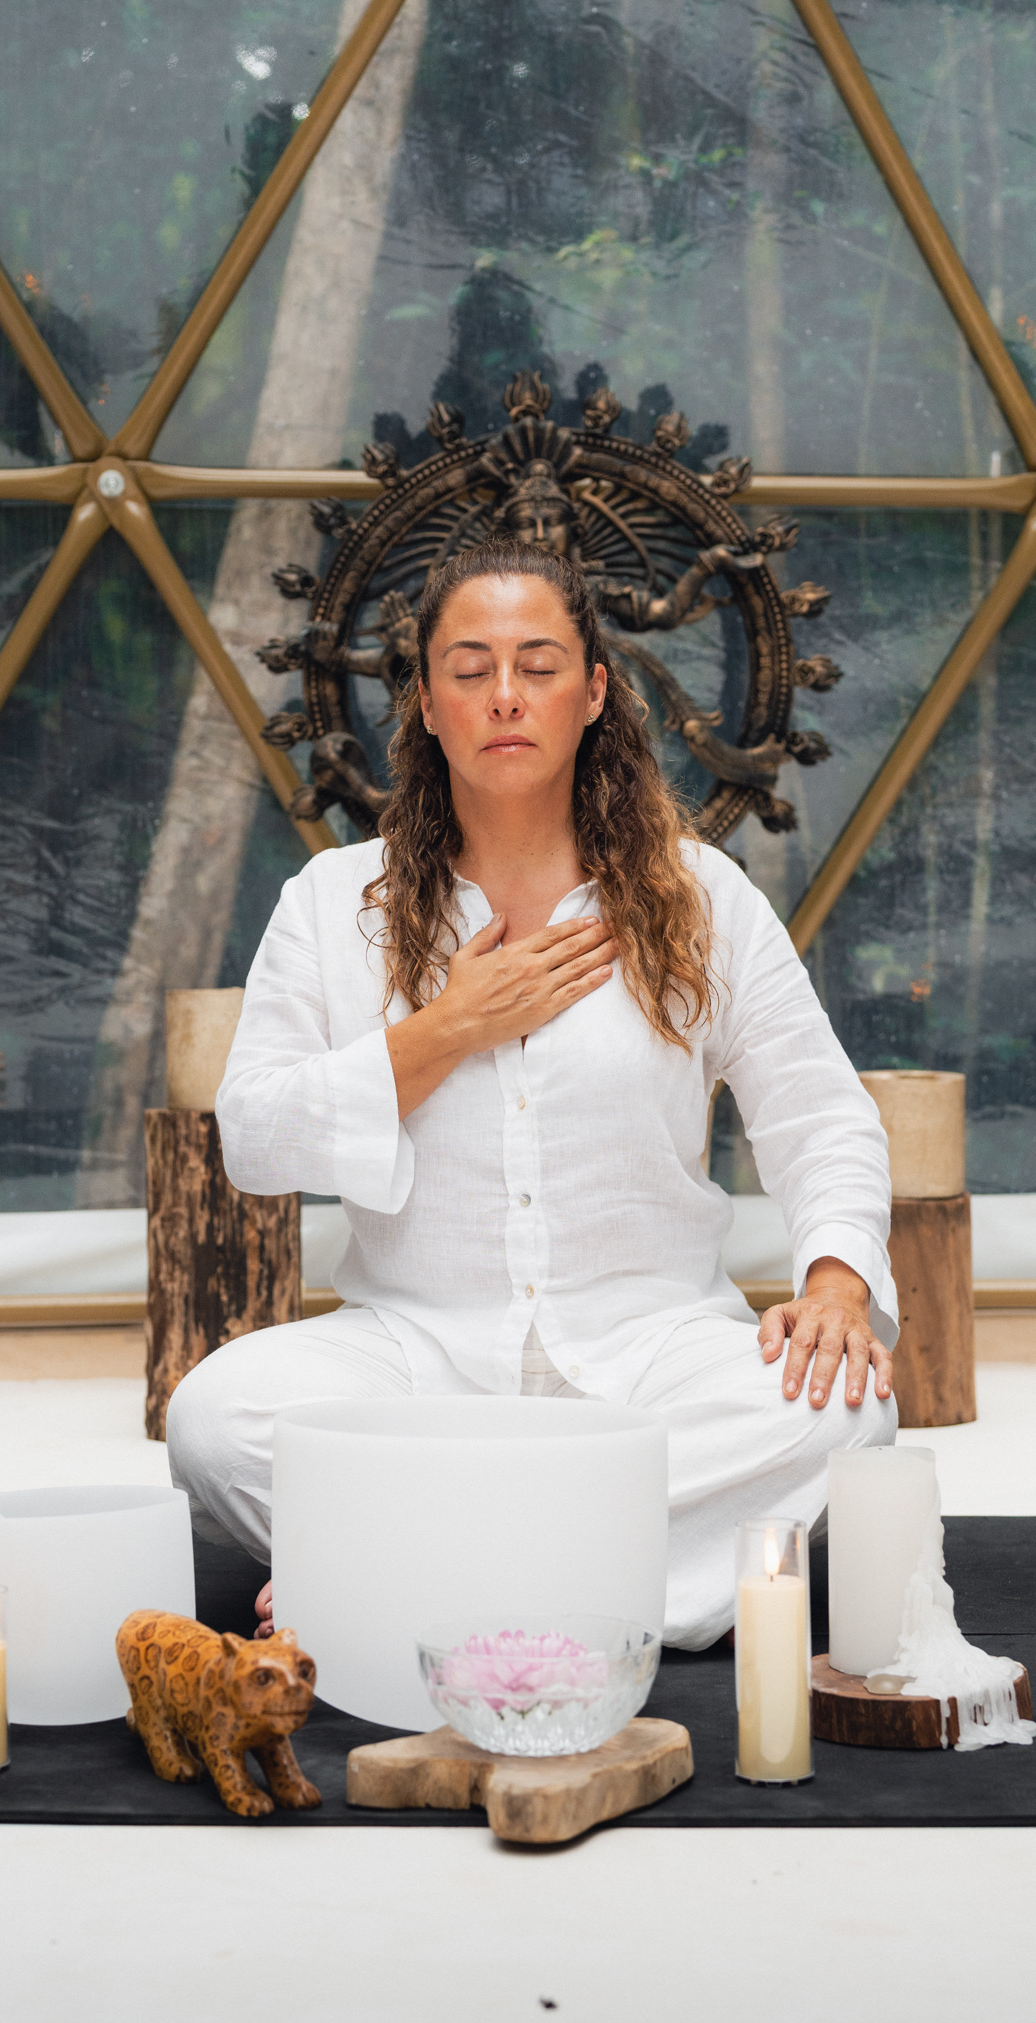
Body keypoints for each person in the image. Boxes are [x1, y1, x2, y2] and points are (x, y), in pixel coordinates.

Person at [166, 537, 897, 1650]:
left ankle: (422, 1585)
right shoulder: (330, 901)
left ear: (595, 692)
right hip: (418, 1358)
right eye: (468, 667)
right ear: (424, 701)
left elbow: (817, 1110)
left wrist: (838, 1282)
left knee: (849, 1408)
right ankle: (594, 1589)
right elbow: (255, 1137)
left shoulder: (699, 897)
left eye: (539, 663)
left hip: (653, 1352)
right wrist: (449, 1028)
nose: (505, 695)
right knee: (214, 1420)